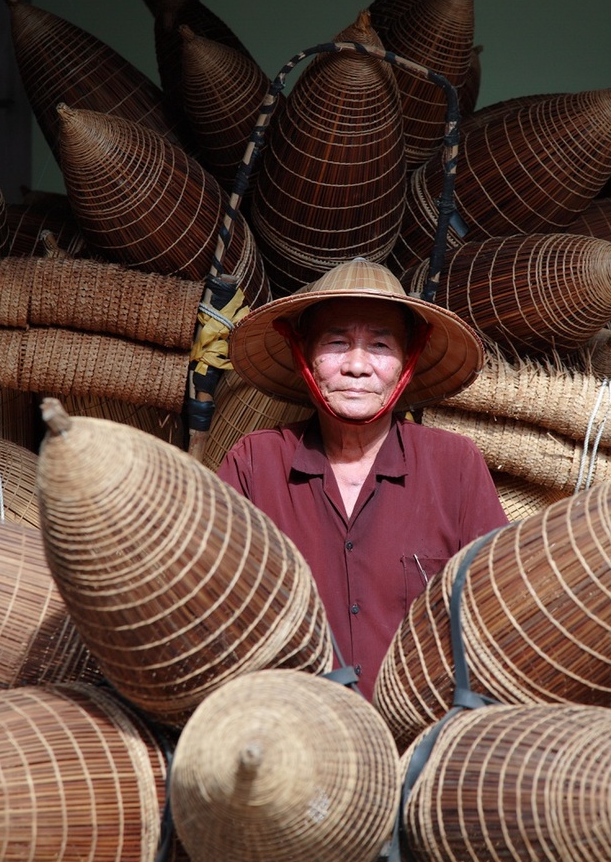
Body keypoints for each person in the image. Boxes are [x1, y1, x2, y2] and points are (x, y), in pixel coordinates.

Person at [217, 257, 509, 701]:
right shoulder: (256, 463)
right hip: (289, 733)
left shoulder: (454, 464)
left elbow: (498, 608)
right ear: (305, 358)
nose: (357, 366)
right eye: (336, 342)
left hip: (418, 736)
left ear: (406, 362)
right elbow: (214, 605)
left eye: (379, 345)